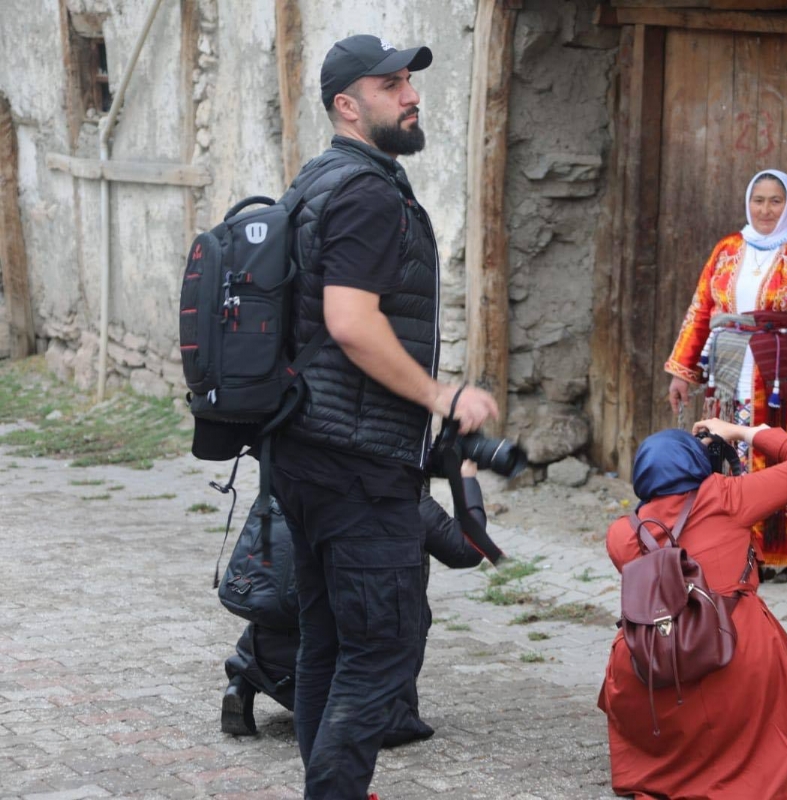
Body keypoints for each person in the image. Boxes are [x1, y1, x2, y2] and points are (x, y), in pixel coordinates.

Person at [270, 34, 498, 799]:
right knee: (381, 653)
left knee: (329, 646)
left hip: (306, 451)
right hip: (356, 463)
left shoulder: (317, 180)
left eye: (410, 81)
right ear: (347, 105)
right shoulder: (366, 192)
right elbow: (351, 321)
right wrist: (444, 398)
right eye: (391, 84)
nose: (411, 95)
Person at [598, 418, 787, 800]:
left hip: (658, 667)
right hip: (734, 656)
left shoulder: (621, 535)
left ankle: (673, 768)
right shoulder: (726, 496)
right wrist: (741, 433)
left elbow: (665, 527)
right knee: (763, 641)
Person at [221, 466, 487, 744]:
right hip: (346, 668)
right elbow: (467, 548)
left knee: (299, 586)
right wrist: (466, 478)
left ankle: (242, 681)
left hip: (269, 659)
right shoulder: (392, 485)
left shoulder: (298, 465)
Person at [665, 170, 787, 582]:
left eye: (775, 200)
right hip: (729, 370)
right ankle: (741, 549)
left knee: (784, 455)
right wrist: (682, 373)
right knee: (732, 455)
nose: (765, 209)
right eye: (758, 199)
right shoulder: (727, 248)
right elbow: (701, 311)